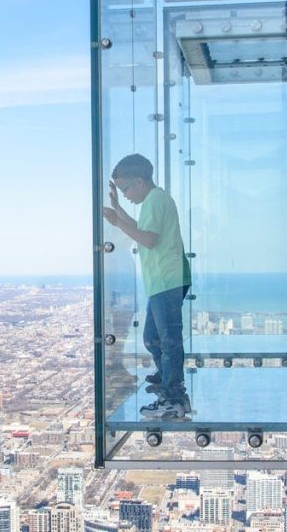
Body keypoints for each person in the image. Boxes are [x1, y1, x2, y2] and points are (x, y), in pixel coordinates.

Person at [102, 154, 192, 420]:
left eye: (125, 189)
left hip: (167, 280)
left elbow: (148, 240)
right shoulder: (155, 200)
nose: (125, 194)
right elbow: (141, 229)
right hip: (164, 280)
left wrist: (118, 221)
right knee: (152, 337)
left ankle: (172, 397)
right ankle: (168, 380)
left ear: (139, 182)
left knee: (168, 340)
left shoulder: (155, 201)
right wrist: (117, 209)